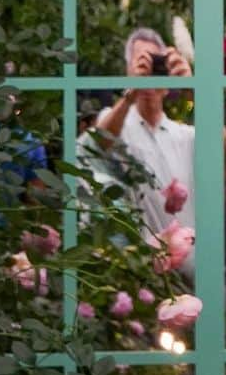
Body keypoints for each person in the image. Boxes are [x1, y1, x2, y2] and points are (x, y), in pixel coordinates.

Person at [78, 27, 195, 281]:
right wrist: (130, 94)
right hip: (142, 280)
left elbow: (225, 150)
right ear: (128, 72)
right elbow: (94, 147)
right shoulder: (116, 124)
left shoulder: (185, 135)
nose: (150, 72)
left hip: (195, 278)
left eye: (157, 62)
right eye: (142, 62)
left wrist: (194, 89)